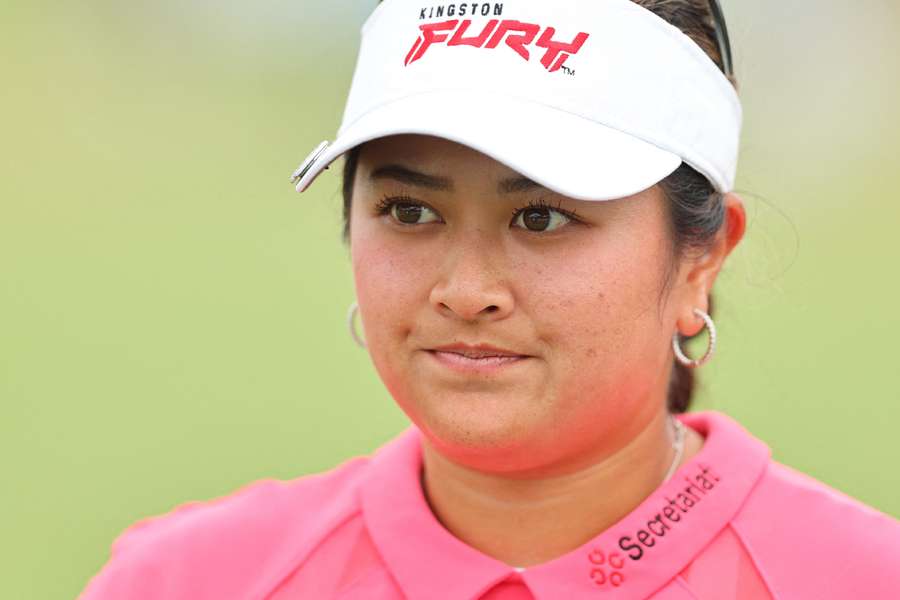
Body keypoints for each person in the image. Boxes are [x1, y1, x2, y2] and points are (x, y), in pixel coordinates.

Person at [80, 0, 900, 598]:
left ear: (702, 260)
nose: (465, 292)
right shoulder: (185, 580)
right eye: (410, 212)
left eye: (541, 217)